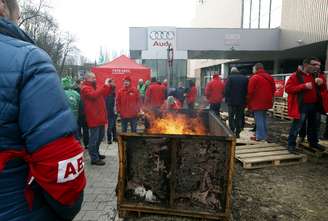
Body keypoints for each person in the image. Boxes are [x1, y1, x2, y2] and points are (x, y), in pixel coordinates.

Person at [0, 1, 86, 220]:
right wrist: (68, 207)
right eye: (18, 17)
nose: (18, 23)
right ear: (2, 7)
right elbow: (59, 162)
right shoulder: (29, 60)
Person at [285, 57, 327, 153]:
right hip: (302, 105)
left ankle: (313, 143)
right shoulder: (295, 76)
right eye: (314, 64)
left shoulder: (317, 75)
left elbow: (324, 88)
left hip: (315, 105)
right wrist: (303, 86)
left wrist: (322, 82)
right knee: (297, 126)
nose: (317, 67)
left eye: (319, 65)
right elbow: (288, 89)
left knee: (314, 125)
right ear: (306, 65)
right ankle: (291, 144)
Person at [80, 72, 112, 166]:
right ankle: (94, 158)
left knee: (100, 137)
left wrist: (110, 86)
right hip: (93, 117)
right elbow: (93, 95)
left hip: (100, 116)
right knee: (94, 139)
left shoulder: (95, 86)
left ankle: (96, 153)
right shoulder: (85, 88)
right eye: (93, 78)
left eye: (95, 77)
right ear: (87, 79)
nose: (95, 79)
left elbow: (104, 93)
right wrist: (105, 85)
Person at [247, 63, 275, 141]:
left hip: (257, 102)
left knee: (258, 119)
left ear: (256, 69)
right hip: (267, 101)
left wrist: (248, 102)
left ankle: (259, 137)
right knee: (263, 118)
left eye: (253, 69)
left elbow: (250, 92)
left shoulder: (254, 78)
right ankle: (264, 135)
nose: (252, 70)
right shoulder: (269, 77)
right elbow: (274, 89)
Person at [224, 67, 248, 138]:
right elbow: (247, 90)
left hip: (231, 102)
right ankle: (238, 132)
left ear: (231, 72)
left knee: (231, 116)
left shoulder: (230, 78)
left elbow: (227, 90)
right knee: (239, 117)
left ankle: (232, 130)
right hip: (241, 102)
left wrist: (227, 98)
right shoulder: (245, 78)